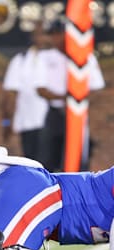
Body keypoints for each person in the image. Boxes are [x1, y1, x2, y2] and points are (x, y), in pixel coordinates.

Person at [34, 19, 105, 172]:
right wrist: (65, 99)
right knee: (47, 158)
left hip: (78, 114)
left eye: (58, 34)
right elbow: (40, 89)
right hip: (55, 113)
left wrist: (77, 101)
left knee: (77, 157)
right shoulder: (45, 57)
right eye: (52, 35)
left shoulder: (85, 57)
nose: (54, 39)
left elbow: (97, 86)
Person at [1, 21, 50, 161]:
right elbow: (10, 94)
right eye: (38, 34)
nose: (43, 38)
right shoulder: (21, 61)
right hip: (30, 124)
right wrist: (6, 122)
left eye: (46, 34)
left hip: (59, 123)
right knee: (35, 166)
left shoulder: (61, 59)